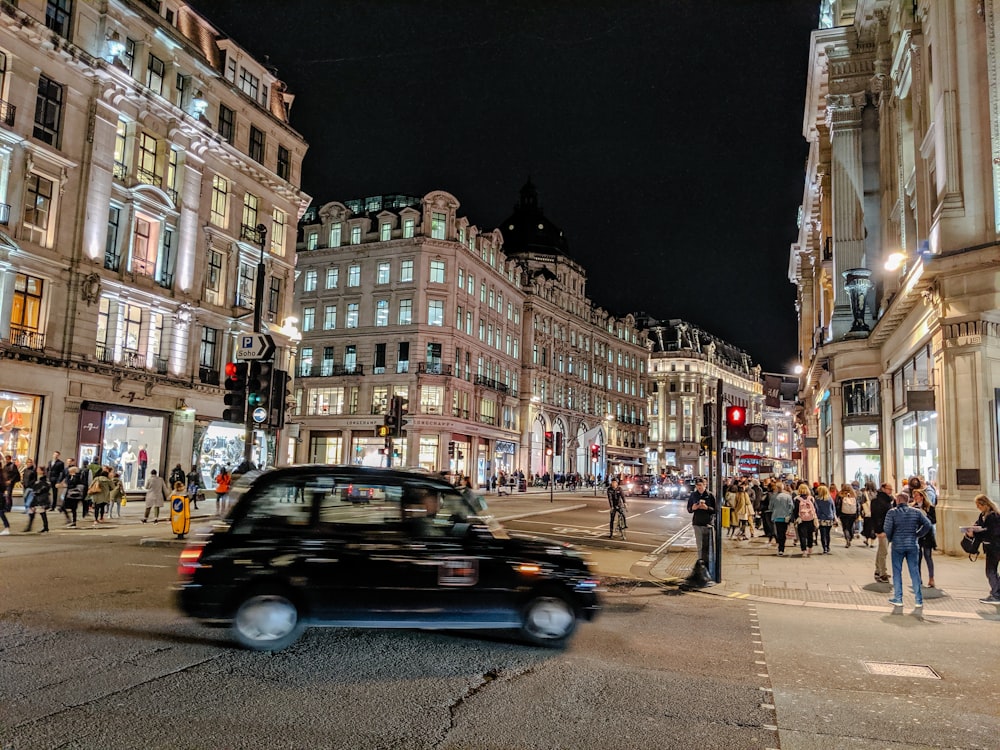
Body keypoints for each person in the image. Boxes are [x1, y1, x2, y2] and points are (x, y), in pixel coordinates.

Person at [884, 491, 932, 608]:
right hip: (912, 545)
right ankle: (918, 600)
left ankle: (898, 598)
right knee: (914, 571)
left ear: (898, 500)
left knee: (897, 572)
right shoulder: (916, 512)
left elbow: (887, 528)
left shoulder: (892, 513)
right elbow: (928, 524)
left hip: (897, 545)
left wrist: (891, 539)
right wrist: (918, 534)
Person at [966, 494, 1000, 604]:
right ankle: (996, 592)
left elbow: (993, 532)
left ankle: (996, 595)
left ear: (985, 504)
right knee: (992, 571)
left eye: (979, 505)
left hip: (995, 547)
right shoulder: (983, 515)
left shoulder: (993, 516)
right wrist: (973, 528)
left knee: (990, 571)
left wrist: (976, 532)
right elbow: (980, 526)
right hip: (990, 547)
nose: (977, 507)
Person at [686, 478, 717, 576]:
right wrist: (693, 508)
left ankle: (709, 565)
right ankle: (701, 565)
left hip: (708, 523)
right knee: (699, 545)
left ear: (705, 485)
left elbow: (716, 510)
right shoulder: (693, 495)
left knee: (708, 546)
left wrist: (707, 508)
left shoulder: (710, 495)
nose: (699, 487)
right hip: (697, 522)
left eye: (701, 485)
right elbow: (689, 508)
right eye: (697, 485)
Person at [911, 488, 936, 588]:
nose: (915, 498)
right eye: (914, 496)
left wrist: (925, 515)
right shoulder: (913, 507)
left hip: (928, 535)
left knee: (928, 556)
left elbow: (934, 521)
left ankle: (931, 578)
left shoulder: (930, 507)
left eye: (917, 495)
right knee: (917, 558)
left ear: (922, 496)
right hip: (917, 534)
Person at [871, 482, 895, 583]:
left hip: (887, 529)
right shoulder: (878, 501)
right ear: (883, 489)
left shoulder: (887, 500)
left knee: (881, 550)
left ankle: (878, 570)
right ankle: (882, 573)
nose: (890, 491)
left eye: (891, 489)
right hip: (883, 530)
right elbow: (877, 517)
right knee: (883, 551)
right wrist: (879, 530)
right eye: (889, 489)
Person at [769, 482, 795, 557]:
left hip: (777, 517)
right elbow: (791, 507)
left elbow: (770, 507)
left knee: (779, 533)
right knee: (783, 533)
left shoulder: (773, 497)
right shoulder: (788, 496)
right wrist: (789, 514)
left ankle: (780, 549)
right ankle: (782, 547)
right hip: (785, 517)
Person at [794, 484, 817, 557]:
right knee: (810, 534)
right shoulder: (811, 498)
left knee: (802, 535)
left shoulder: (797, 499)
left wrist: (796, 518)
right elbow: (816, 509)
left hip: (801, 519)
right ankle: (810, 548)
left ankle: (804, 550)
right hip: (811, 519)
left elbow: (795, 510)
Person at [814, 484, 836, 554]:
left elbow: (816, 509)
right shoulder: (830, 499)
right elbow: (833, 508)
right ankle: (828, 546)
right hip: (829, 518)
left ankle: (824, 547)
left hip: (821, 518)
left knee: (822, 534)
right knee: (827, 533)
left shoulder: (817, 499)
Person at [836, 483, 859, 548]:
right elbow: (857, 505)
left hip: (843, 514)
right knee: (851, 526)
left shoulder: (840, 494)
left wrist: (837, 514)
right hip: (852, 513)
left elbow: (837, 505)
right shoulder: (853, 495)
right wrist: (857, 514)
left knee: (845, 527)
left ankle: (847, 539)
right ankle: (851, 536)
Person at [860, 480, 877, 547]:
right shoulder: (876, 494)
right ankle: (872, 543)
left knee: (867, 527)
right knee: (873, 527)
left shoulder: (865, 494)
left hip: (867, 513)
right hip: (875, 513)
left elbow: (862, 503)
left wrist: (861, 512)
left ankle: (867, 540)